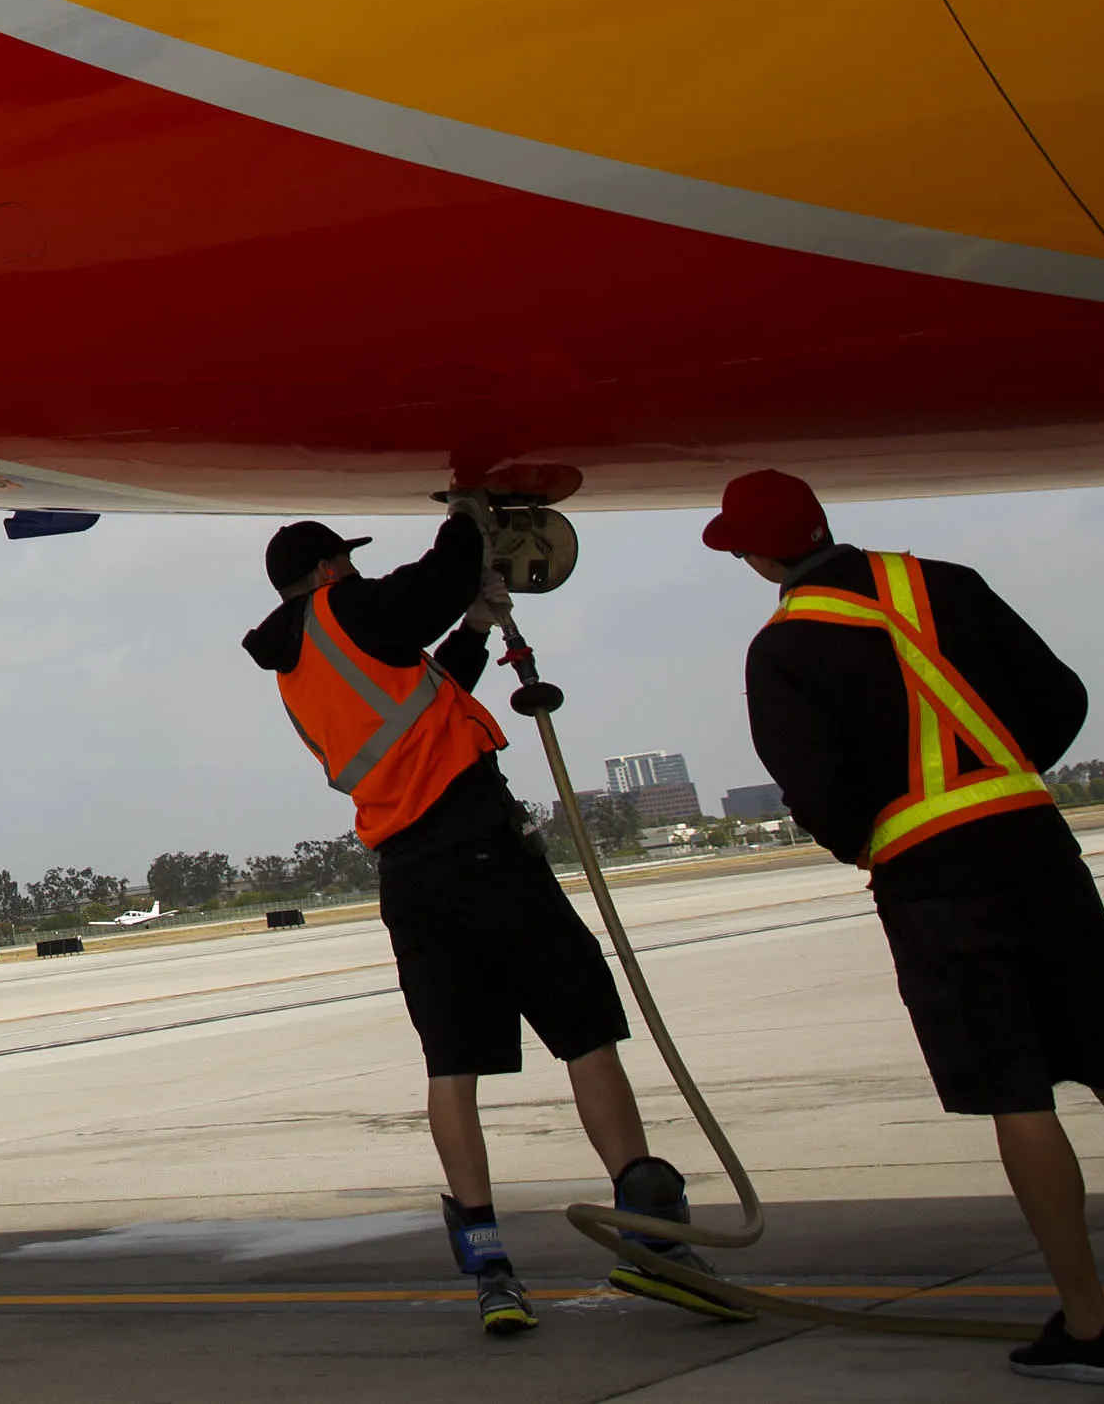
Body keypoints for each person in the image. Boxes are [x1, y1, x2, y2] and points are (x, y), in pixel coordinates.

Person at [710, 469, 1104, 1384]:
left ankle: (1092, 1329)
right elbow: (1059, 696)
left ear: (761, 553)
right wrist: (996, 775)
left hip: (936, 881)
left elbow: (814, 788)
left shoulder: (781, 649)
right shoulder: (946, 580)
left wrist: (880, 835)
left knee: (1020, 1096)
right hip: (1037, 845)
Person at [244, 511, 742, 1336]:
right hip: (480, 848)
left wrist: (475, 629)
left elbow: (416, 703)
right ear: (331, 570)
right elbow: (439, 573)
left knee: (453, 1065)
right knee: (586, 1030)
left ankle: (490, 1267)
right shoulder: (350, 610)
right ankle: (658, 1238)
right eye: (346, 564)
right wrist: (472, 513)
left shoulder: (295, 665)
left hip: (409, 876)